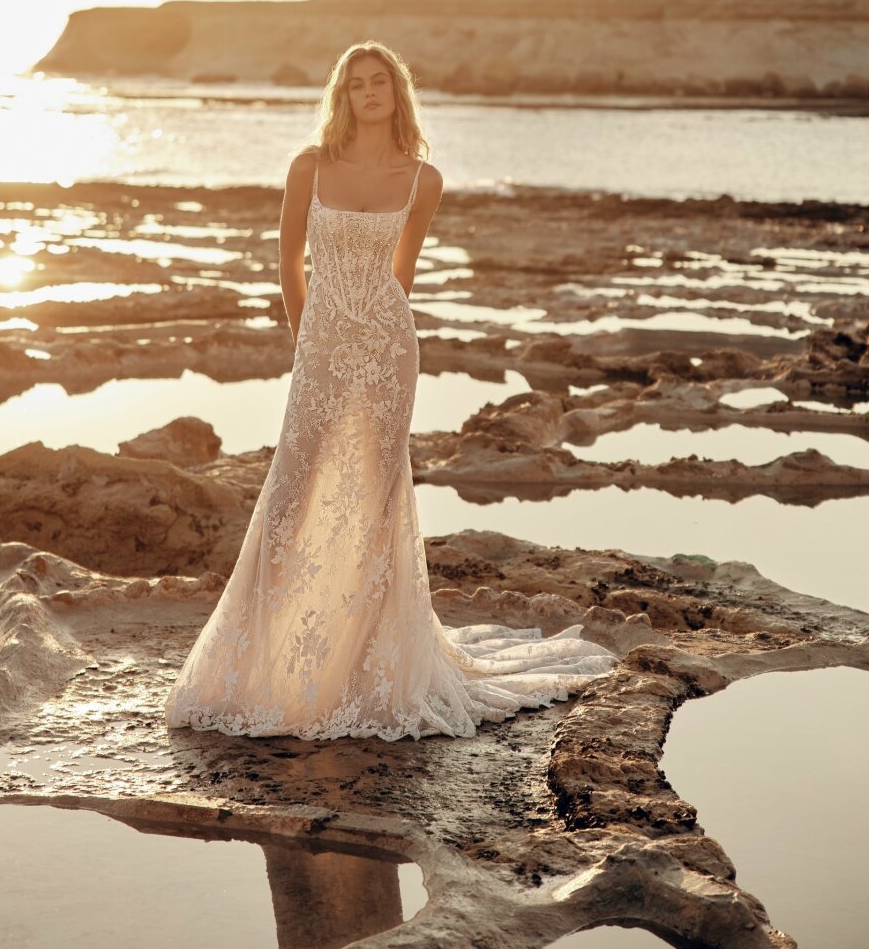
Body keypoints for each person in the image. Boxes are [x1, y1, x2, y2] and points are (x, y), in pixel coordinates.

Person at [164, 40, 618, 740]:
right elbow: (289, 262)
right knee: (293, 493)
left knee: (376, 501)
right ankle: (261, 661)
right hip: (322, 346)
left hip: (386, 349)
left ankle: (364, 669)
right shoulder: (309, 166)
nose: (369, 92)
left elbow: (401, 276)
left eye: (379, 82)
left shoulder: (422, 180)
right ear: (343, 96)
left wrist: (370, 332)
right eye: (357, 84)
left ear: (396, 92)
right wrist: (312, 336)